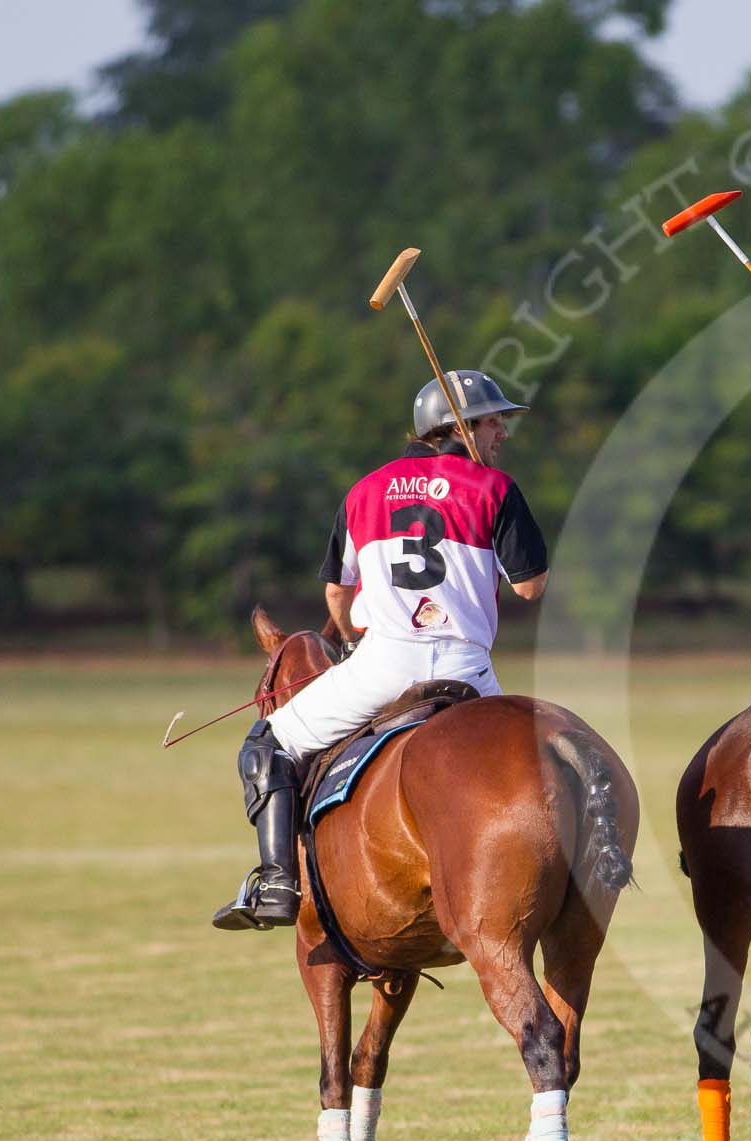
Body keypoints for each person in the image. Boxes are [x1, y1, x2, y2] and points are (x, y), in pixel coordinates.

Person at [214, 372, 550, 931]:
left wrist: (346, 639)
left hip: (386, 663)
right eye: (495, 422)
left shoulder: (364, 491)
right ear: (459, 429)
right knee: (533, 762)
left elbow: (336, 592)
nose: (503, 434)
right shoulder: (496, 488)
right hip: (471, 666)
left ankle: (276, 881)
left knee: (266, 743)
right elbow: (530, 587)